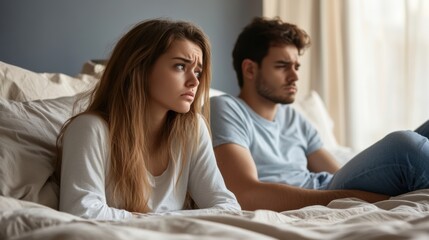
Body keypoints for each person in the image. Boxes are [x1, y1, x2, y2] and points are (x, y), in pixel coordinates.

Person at [210, 16, 429, 211]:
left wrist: (359, 193)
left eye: (296, 66)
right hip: (324, 193)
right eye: (282, 65)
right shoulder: (227, 109)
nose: (294, 76)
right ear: (249, 69)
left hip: (329, 185)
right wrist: (358, 198)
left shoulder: (293, 117)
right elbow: (246, 193)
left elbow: (341, 174)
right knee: (405, 147)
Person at [55, 18, 240, 220]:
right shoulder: (90, 129)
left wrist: (156, 221)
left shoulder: (192, 128)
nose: (194, 81)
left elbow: (227, 206)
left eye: (198, 71)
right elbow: (82, 212)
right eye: (180, 66)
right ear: (139, 68)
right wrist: (168, 220)